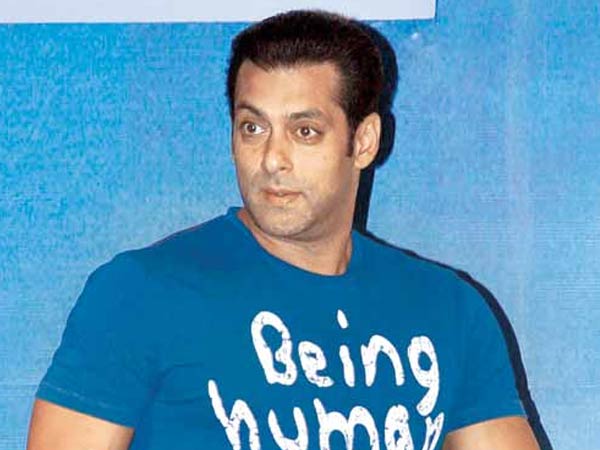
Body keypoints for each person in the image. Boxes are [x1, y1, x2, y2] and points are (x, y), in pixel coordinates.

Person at [27, 10, 540, 450]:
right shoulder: (140, 294)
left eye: (305, 131)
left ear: (363, 141)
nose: (272, 158)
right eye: (253, 128)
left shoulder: (449, 311)